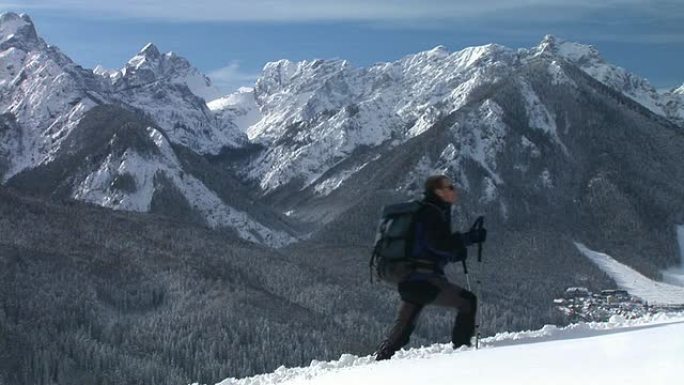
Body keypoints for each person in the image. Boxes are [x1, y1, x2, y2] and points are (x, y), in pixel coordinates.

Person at [374, 175, 487, 361]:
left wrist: (456, 253)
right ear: (439, 191)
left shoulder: (426, 211)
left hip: (408, 277)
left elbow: (428, 249)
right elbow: (439, 244)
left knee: (404, 323)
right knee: (467, 302)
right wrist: (469, 238)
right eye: (450, 187)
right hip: (423, 279)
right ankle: (463, 355)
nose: (454, 190)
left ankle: (381, 358)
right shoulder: (432, 213)